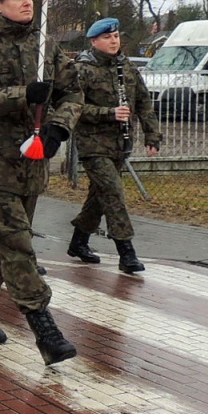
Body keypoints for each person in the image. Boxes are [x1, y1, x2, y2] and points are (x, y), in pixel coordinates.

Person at [0, 0, 83, 366]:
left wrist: (59, 128)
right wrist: (22, 95)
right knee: (17, 245)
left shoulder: (44, 45)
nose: (27, 3)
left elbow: (73, 91)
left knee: (0, 240)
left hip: (32, 162)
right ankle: (45, 329)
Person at [68, 17, 161, 274]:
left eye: (116, 36)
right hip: (93, 143)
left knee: (99, 197)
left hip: (120, 143)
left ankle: (78, 242)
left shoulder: (127, 67)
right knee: (113, 192)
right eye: (107, 37)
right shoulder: (82, 69)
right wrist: (108, 113)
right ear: (94, 41)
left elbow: (143, 103)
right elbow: (73, 106)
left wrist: (152, 136)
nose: (113, 41)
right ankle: (126, 252)